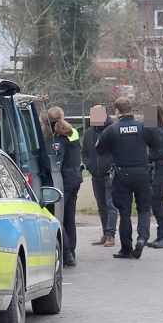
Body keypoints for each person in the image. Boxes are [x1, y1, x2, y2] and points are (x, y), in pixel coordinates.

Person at [96, 96, 157, 260]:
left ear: (117, 111)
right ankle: (143, 237)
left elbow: (100, 149)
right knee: (144, 209)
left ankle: (126, 248)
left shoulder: (112, 129)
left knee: (125, 212)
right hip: (143, 173)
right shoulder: (143, 126)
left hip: (122, 174)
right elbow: (157, 143)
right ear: (131, 109)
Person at [82, 105, 117, 248]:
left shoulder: (112, 131)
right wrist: (90, 166)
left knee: (111, 205)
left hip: (110, 174)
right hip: (95, 175)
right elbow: (84, 153)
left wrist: (111, 165)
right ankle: (105, 233)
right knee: (101, 205)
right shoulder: (88, 133)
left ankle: (111, 235)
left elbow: (117, 150)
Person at [51, 115, 83, 267]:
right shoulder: (73, 133)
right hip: (76, 176)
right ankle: (72, 252)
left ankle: (68, 253)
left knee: (59, 217)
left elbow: (57, 162)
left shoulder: (58, 141)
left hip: (66, 179)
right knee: (70, 217)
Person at [146, 106, 163, 249]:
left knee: (157, 202)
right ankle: (161, 234)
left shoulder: (158, 132)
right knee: (156, 202)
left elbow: (160, 154)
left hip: (159, 169)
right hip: (159, 169)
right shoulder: (160, 130)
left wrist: (145, 157)